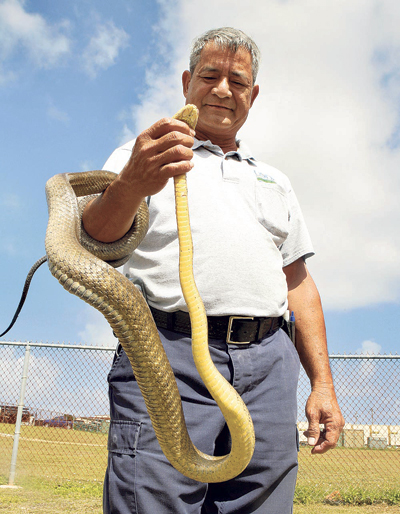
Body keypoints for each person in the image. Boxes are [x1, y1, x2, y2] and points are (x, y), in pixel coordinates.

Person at [82, 27, 344, 514]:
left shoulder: (275, 181)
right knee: (153, 500)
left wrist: (322, 385)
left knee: (260, 503)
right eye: (210, 75)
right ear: (187, 82)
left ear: (253, 95)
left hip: (269, 362)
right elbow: (96, 240)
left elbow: (299, 286)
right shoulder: (143, 155)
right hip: (167, 354)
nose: (223, 89)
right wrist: (132, 183)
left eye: (238, 81)